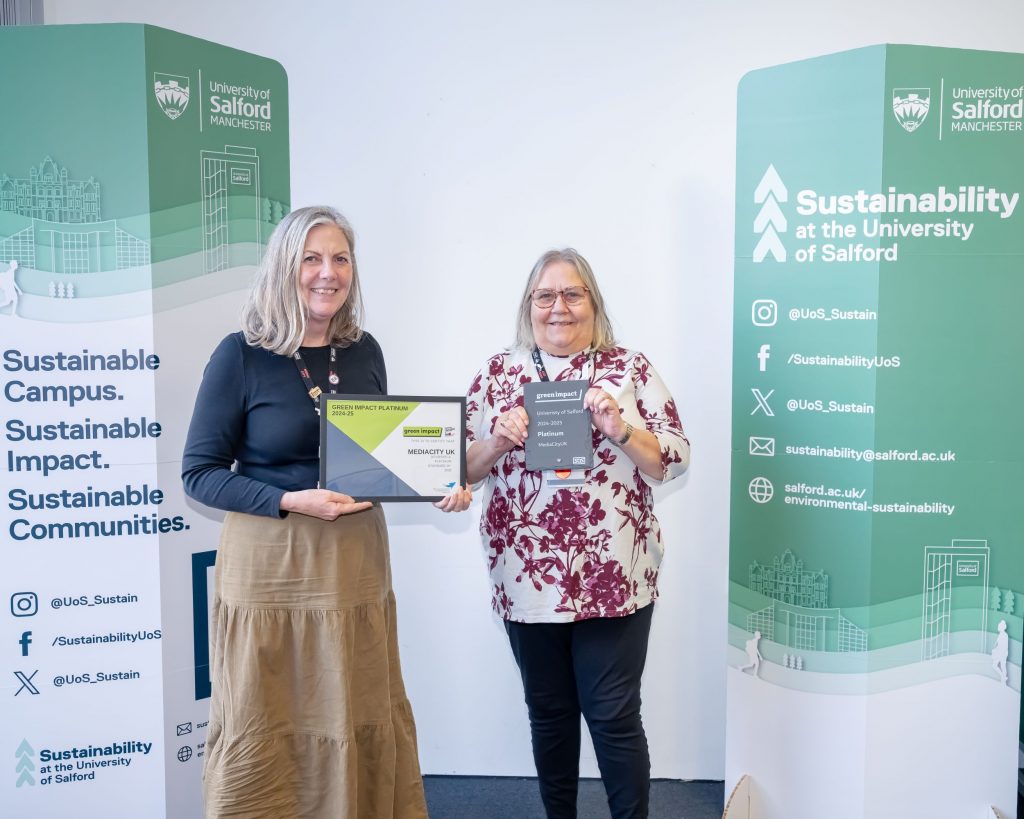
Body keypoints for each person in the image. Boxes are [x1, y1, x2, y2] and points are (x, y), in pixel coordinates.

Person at [182, 205, 470, 818]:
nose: (327, 272)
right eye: (311, 258)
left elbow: (380, 454)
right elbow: (199, 474)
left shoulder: (363, 351)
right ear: (284, 268)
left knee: (354, 704)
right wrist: (289, 499)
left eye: (340, 258)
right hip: (271, 569)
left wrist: (438, 483)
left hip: (354, 566)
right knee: (269, 714)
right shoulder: (240, 355)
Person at [464, 248, 690, 819]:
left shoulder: (629, 368)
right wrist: (497, 439)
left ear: (593, 304)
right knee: (548, 712)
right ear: (529, 306)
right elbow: (458, 468)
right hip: (526, 578)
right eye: (545, 296)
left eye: (573, 294)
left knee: (613, 715)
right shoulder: (498, 373)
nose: (558, 308)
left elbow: (673, 458)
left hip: (614, 577)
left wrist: (621, 428)